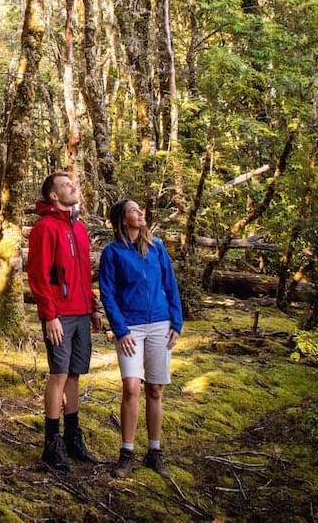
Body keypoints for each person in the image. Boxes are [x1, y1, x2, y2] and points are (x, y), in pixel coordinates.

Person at [98, 198, 183, 477]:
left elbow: (170, 285)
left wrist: (177, 322)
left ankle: (155, 452)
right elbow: (107, 294)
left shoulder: (157, 248)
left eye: (140, 210)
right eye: (134, 211)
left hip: (160, 323)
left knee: (155, 390)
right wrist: (120, 330)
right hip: (130, 328)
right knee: (131, 387)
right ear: (123, 220)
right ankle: (126, 453)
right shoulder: (112, 253)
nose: (140, 213)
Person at [26, 171, 104, 471]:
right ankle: (52, 443)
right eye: (66, 185)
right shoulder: (45, 228)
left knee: (74, 376)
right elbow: (38, 276)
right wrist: (50, 315)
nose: (73, 187)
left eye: (73, 183)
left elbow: (84, 274)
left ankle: (73, 438)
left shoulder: (80, 229)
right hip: (59, 315)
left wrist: (93, 307)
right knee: (58, 374)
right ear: (53, 196)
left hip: (81, 312)